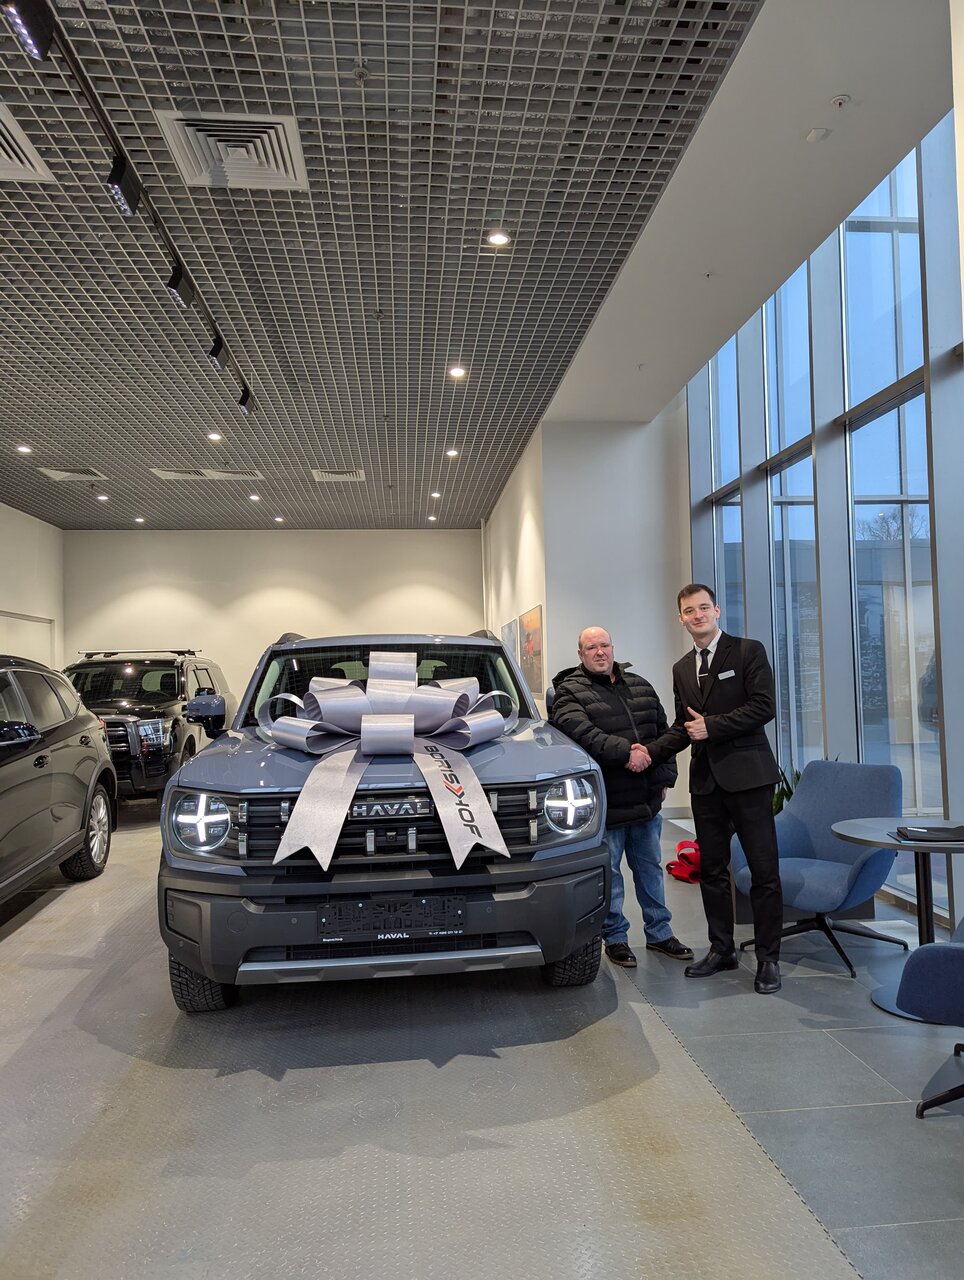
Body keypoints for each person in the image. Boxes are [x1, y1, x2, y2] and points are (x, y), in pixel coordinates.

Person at [640, 584, 784, 994]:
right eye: (690, 610)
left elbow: (764, 706)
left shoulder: (747, 651)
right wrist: (648, 752)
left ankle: (769, 959)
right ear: (681, 619)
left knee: (764, 872)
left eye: (704, 607)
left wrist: (713, 726)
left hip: (749, 778)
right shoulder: (682, 668)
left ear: (717, 611)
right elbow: (683, 728)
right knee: (712, 871)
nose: (698, 615)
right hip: (706, 783)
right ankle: (722, 950)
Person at [550, 626, 692, 969]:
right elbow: (582, 734)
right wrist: (628, 752)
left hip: (646, 800)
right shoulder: (569, 692)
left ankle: (660, 933)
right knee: (610, 875)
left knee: (650, 870)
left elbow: (664, 734)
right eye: (591, 647)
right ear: (580, 654)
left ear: (613, 648)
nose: (599, 652)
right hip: (608, 803)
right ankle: (615, 938)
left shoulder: (640, 685)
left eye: (604, 645)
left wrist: (665, 777)